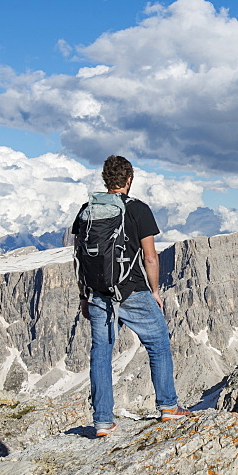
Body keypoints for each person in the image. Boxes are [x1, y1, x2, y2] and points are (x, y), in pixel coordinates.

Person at [72, 155, 187, 437]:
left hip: (98, 293)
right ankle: (168, 407)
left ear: (105, 180)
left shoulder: (86, 211)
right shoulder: (138, 210)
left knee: (101, 354)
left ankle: (102, 421)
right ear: (129, 180)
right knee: (158, 343)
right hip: (132, 290)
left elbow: (78, 257)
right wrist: (155, 291)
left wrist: (84, 296)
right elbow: (150, 257)